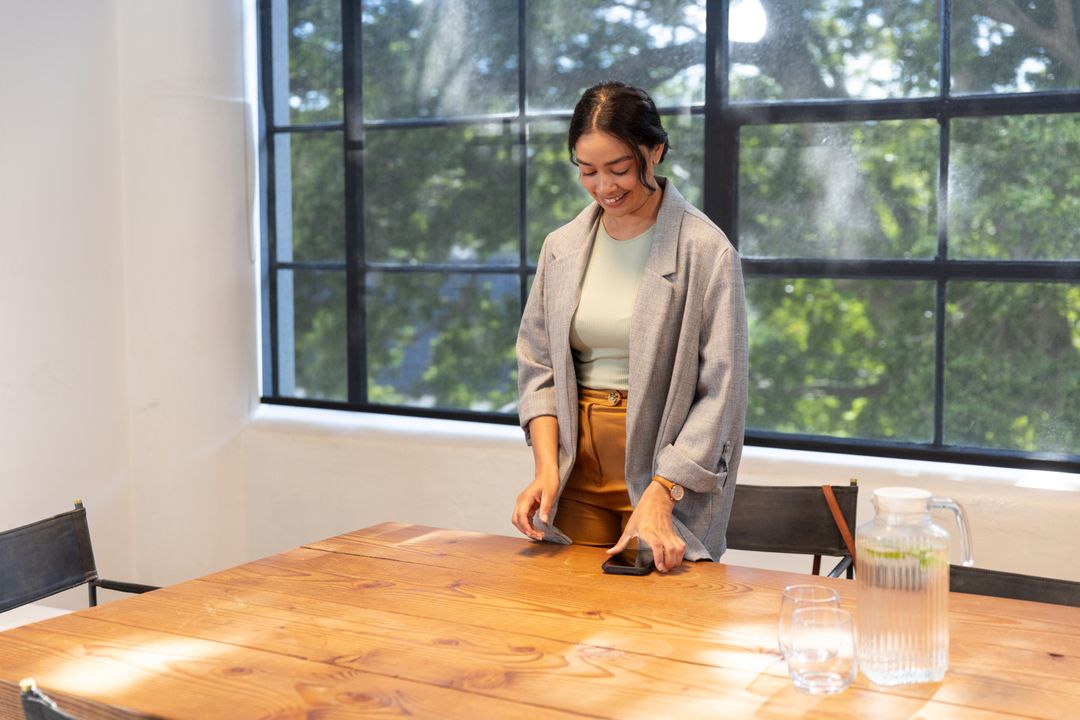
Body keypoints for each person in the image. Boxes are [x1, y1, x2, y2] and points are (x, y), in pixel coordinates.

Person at [512, 81, 748, 573]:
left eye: (619, 169)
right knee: (567, 605)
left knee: (663, 610)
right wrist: (546, 468)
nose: (605, 187)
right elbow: (538, 364)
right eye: (588, 171)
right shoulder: (561, 247)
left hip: (666, 471)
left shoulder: (707, 251)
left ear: (655, 151)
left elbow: (722, 391)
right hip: (577, 467)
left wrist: (665, 490)